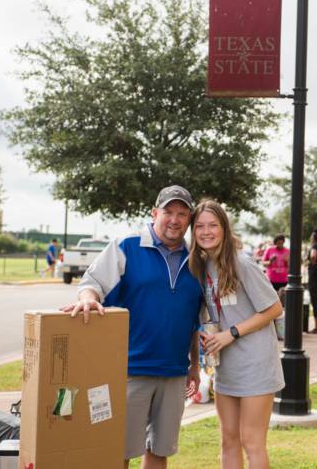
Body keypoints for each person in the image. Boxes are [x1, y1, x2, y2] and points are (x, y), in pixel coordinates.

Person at [61, 185, 204, 469]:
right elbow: (92, 285)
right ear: (154, 213)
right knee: (119, 452)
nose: (174, 219)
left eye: (182, 213)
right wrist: (89, 299)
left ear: (189, 220)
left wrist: (194, 367)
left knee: (159, 451)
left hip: (174, 373)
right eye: (168, 212)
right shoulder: (126, 246)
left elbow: (193, 319)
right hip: (129, 370)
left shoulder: (197, 260)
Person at [189, 200, 284, 469]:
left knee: (252, 442)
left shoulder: (242, 262)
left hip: (255, 364)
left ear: (224, 228)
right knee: (228, 440)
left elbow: (274, 308)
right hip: (226, 366)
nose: (206, 232)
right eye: (200, 226)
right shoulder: (204, 265)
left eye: (213, 225)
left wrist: (231, 333)